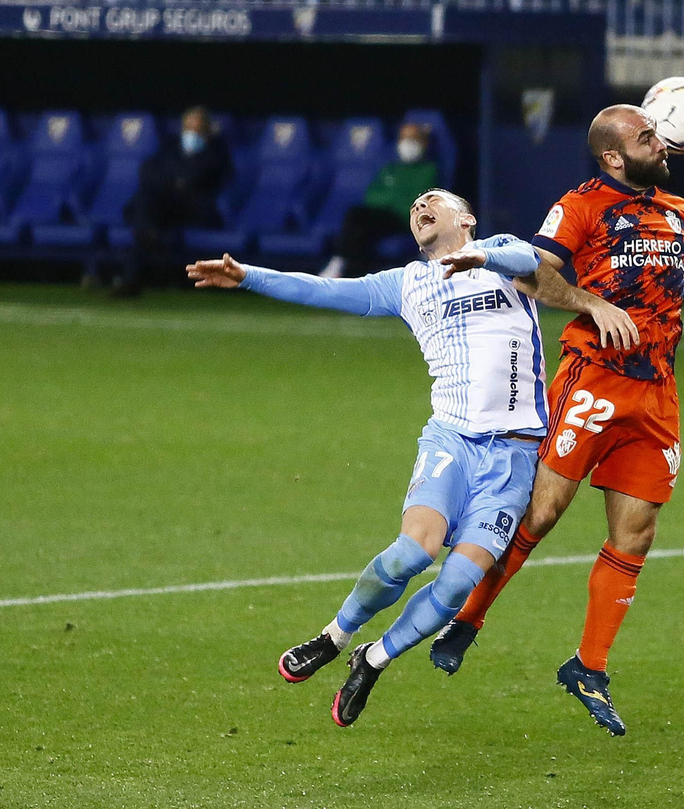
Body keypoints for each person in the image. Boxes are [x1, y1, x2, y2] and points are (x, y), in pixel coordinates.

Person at [187, 190, 637, 727]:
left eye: (433, 202)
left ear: (465, 219)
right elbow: (327, 290)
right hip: (451, 442)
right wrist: (250, 277)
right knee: (410, 554)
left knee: (454, 586)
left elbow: (528, 261)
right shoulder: (407, 284)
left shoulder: (502, 256)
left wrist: (483, 256)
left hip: (515, 456)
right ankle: (335, 636)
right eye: (414, 208)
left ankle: (373, 659)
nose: (420, 209)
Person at [428, 104, 684, 736]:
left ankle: (588, 666)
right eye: (648, 136)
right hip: (592, 375)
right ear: (613, 157)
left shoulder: (678, 213)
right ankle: (469, 618)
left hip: (655, 393)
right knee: (541, 513)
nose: (664, 142)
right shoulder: (580, 206)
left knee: (637, 531)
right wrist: (593, 302)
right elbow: (539, 279)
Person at [117, 105, 231, 297]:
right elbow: (149, 171)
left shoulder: (216, 151)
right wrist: (174, 183)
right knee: (146, 203)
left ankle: (134, 274)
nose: (191, 132)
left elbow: (206, 178)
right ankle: (149, 245)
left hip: (194, 207)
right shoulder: (170, 146)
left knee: (144, 221)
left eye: (197, 128)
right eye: (188, 127)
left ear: (206, 129)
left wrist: (178, 182)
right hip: (164, 205)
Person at [318, 122, 438, 280]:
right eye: (404, 139)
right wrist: (393, 198)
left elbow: (414, 203)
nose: (407, 144)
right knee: (358, 223)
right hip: (382, 218)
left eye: (413, 139)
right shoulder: (390, 168)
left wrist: (389, 198)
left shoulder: (429, 171)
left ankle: (342, 264)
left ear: (424, 143)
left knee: (358, 219)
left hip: (403, 220)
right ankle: (351, 272)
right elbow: (371, 196)